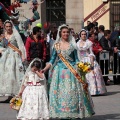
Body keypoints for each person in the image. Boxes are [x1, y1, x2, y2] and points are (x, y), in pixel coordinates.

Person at [42, 24, 94, 119]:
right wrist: (45, 69)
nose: (65, 34)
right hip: (59, 72)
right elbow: (52, 59)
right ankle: (60, 112)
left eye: (67, 32)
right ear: (60, 33)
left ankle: (73, 112)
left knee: (71, 92)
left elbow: (77, 59)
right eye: (64, 32)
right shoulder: (56, 46)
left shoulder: (73, 45)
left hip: (71, 72)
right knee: (60, 93)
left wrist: (81, 68)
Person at [0, 20, 26, 101]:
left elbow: (21, 45)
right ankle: (9, 94)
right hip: (5, 56)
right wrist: (1, 49)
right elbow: (1, 45)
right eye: (7, 26)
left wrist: (23, 56)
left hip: (14, 56)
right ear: (5, 27)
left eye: (9, 26)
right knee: (5, 74)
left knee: (13, 74)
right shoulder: (3, 36)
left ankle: (15, 94)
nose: (8, 28)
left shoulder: (15, 35)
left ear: (12, 27)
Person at [77, 29, 107, 95]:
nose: (83, 35)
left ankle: (93, 91)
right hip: (80, 60)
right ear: (80, 35)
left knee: (91, 74)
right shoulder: (77, 43)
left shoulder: (89, 43)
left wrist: (92, 59)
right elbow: (77, 53)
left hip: (88, 59)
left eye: (85, 34)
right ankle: (83, 91)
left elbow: (91, 52)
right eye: (82, 34)